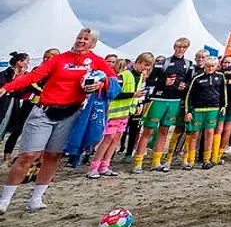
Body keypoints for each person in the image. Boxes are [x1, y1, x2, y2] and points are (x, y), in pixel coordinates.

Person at [0, 29, 115, 213]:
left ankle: (36, 199)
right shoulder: (60, 59)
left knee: (53, 156)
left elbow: (113, 80)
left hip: (70, 115)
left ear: (93, 44)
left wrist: (102, 83)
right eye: (79, 38)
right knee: (29, 156)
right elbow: (33, 76)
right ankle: (4, 200)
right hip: (44, 112)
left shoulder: (96, 61)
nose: (81, 41)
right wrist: (7, 87)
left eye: (86, 39)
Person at [88, 52, 154, 177]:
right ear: (138, 62)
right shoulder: (124, 75)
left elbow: (135, 94)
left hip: (125, 113)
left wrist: (137, 105)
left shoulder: (139, 77)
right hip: (114, 112)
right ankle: (93, 167)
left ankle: (105, 166)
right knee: (108, 139)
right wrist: (133, 95)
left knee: (116, 140)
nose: (145, 68)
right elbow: (113, 93)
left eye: (148, 66)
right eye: (145, 65)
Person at [133, 37, 192, 172]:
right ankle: (138, 163)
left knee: (164, 131)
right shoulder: (163, 62)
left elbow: (189, 83)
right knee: (148, 130)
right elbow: (149, 81)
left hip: (175, 102)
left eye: (184, 47)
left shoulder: (189, 64)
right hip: (158, 100)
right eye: (178, 47)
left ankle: (156, 162)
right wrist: (163, 83)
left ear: (186, 49)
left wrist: (185, 85)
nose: (181, 49)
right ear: (174, 47)